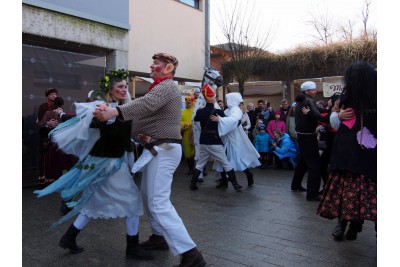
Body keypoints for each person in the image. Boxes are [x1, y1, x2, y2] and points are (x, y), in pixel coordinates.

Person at [92, 53, 206, 267]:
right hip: (156, 149)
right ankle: (159, 236)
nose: (151, 66)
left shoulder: (167, 87)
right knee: (148, 197)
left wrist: (113, 112)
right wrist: (136, 133)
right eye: (153, 63)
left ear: (169, 68)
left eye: (157, 64)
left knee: (158, 202)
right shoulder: (160, 88)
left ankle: (191, 254)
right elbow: (143, 114)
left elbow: (144, 105)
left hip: (164, 150)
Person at [34, 69, 153, 260]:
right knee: (132, 201)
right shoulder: (102, 108)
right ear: (110, 90)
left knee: (94, 202)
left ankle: (69, 237)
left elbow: (122, 135)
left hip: (112, 162)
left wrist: (139, 138)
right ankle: (132, 246)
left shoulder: (122, 109)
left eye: (125, 87)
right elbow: (95, 125)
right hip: (108, 165)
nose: (124, 89)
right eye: (119, 87)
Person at [317, 61, 377, 241]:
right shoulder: (346, 98)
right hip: (347, 155)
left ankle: (357, 225)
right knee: (346, 193)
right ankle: (344, 223)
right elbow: (334, 121)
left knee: (370, 196)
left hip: (370, 156)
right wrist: (338, 115)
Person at [190, 85, 241, 191]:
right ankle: (235, 185)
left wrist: (200, 110)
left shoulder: (200, 111)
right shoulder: (219, 112)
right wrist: (239, 121)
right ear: (213, 100)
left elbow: (195, 119)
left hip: (203, 140)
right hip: (214, 140)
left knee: (200, 163)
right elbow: (229, 122)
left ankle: (192, 184)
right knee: (225, 163)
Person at [36, 96, 78, 214]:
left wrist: (49, 124)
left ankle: (61, 184)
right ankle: (60, 184)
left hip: (60, 145)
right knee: (60, 165)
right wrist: (48, 124)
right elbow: (41, 126)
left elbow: (41, 125)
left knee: (61, 165)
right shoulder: (55, 113)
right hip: (56, 144)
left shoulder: (60, 114)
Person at [210, 92, 260, 187]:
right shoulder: (228, 110)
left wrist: (220, 120)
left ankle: (249, 175)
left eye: (228, 99)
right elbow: (223, 116)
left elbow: (233, 120)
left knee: (239, 158)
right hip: (226, 138)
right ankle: (224, 181)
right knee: (222, 159)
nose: (226, 101)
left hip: (235, 138)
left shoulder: (236, 110)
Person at [290, 81, 329, 199]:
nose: (315, 91)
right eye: (313, 90)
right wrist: (332, 117)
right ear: (306, 91)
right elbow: (317, 115)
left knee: (303, 162)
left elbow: (316, 110)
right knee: (314, 165)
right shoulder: (308, 101)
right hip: (308, 136)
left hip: (302, 136)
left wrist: (329, 110)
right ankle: (312, 194)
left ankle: (295, 185)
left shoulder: (300, 101)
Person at [36, 88, 59, 186]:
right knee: (44, 158)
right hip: (45, 135)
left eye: (55, 94)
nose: (54, 96)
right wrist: (48, 123)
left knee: (54, 157)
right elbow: (39, 122)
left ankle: (54, 180)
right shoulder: (43, 106)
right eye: (52, 94)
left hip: (56, 136)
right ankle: (43, 180)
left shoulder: (58, 107)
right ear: (48, 96)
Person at [181, 95, 195, 175]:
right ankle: (191, 169)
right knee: (188, 152)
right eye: (187, 101)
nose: (189, 102)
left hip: (196, 134)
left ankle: (202, 170)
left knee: (197, 152)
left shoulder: (196, 111)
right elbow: (179, 123)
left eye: (190, 101)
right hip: (186, 134)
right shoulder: (182, 112)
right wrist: (184, 124)